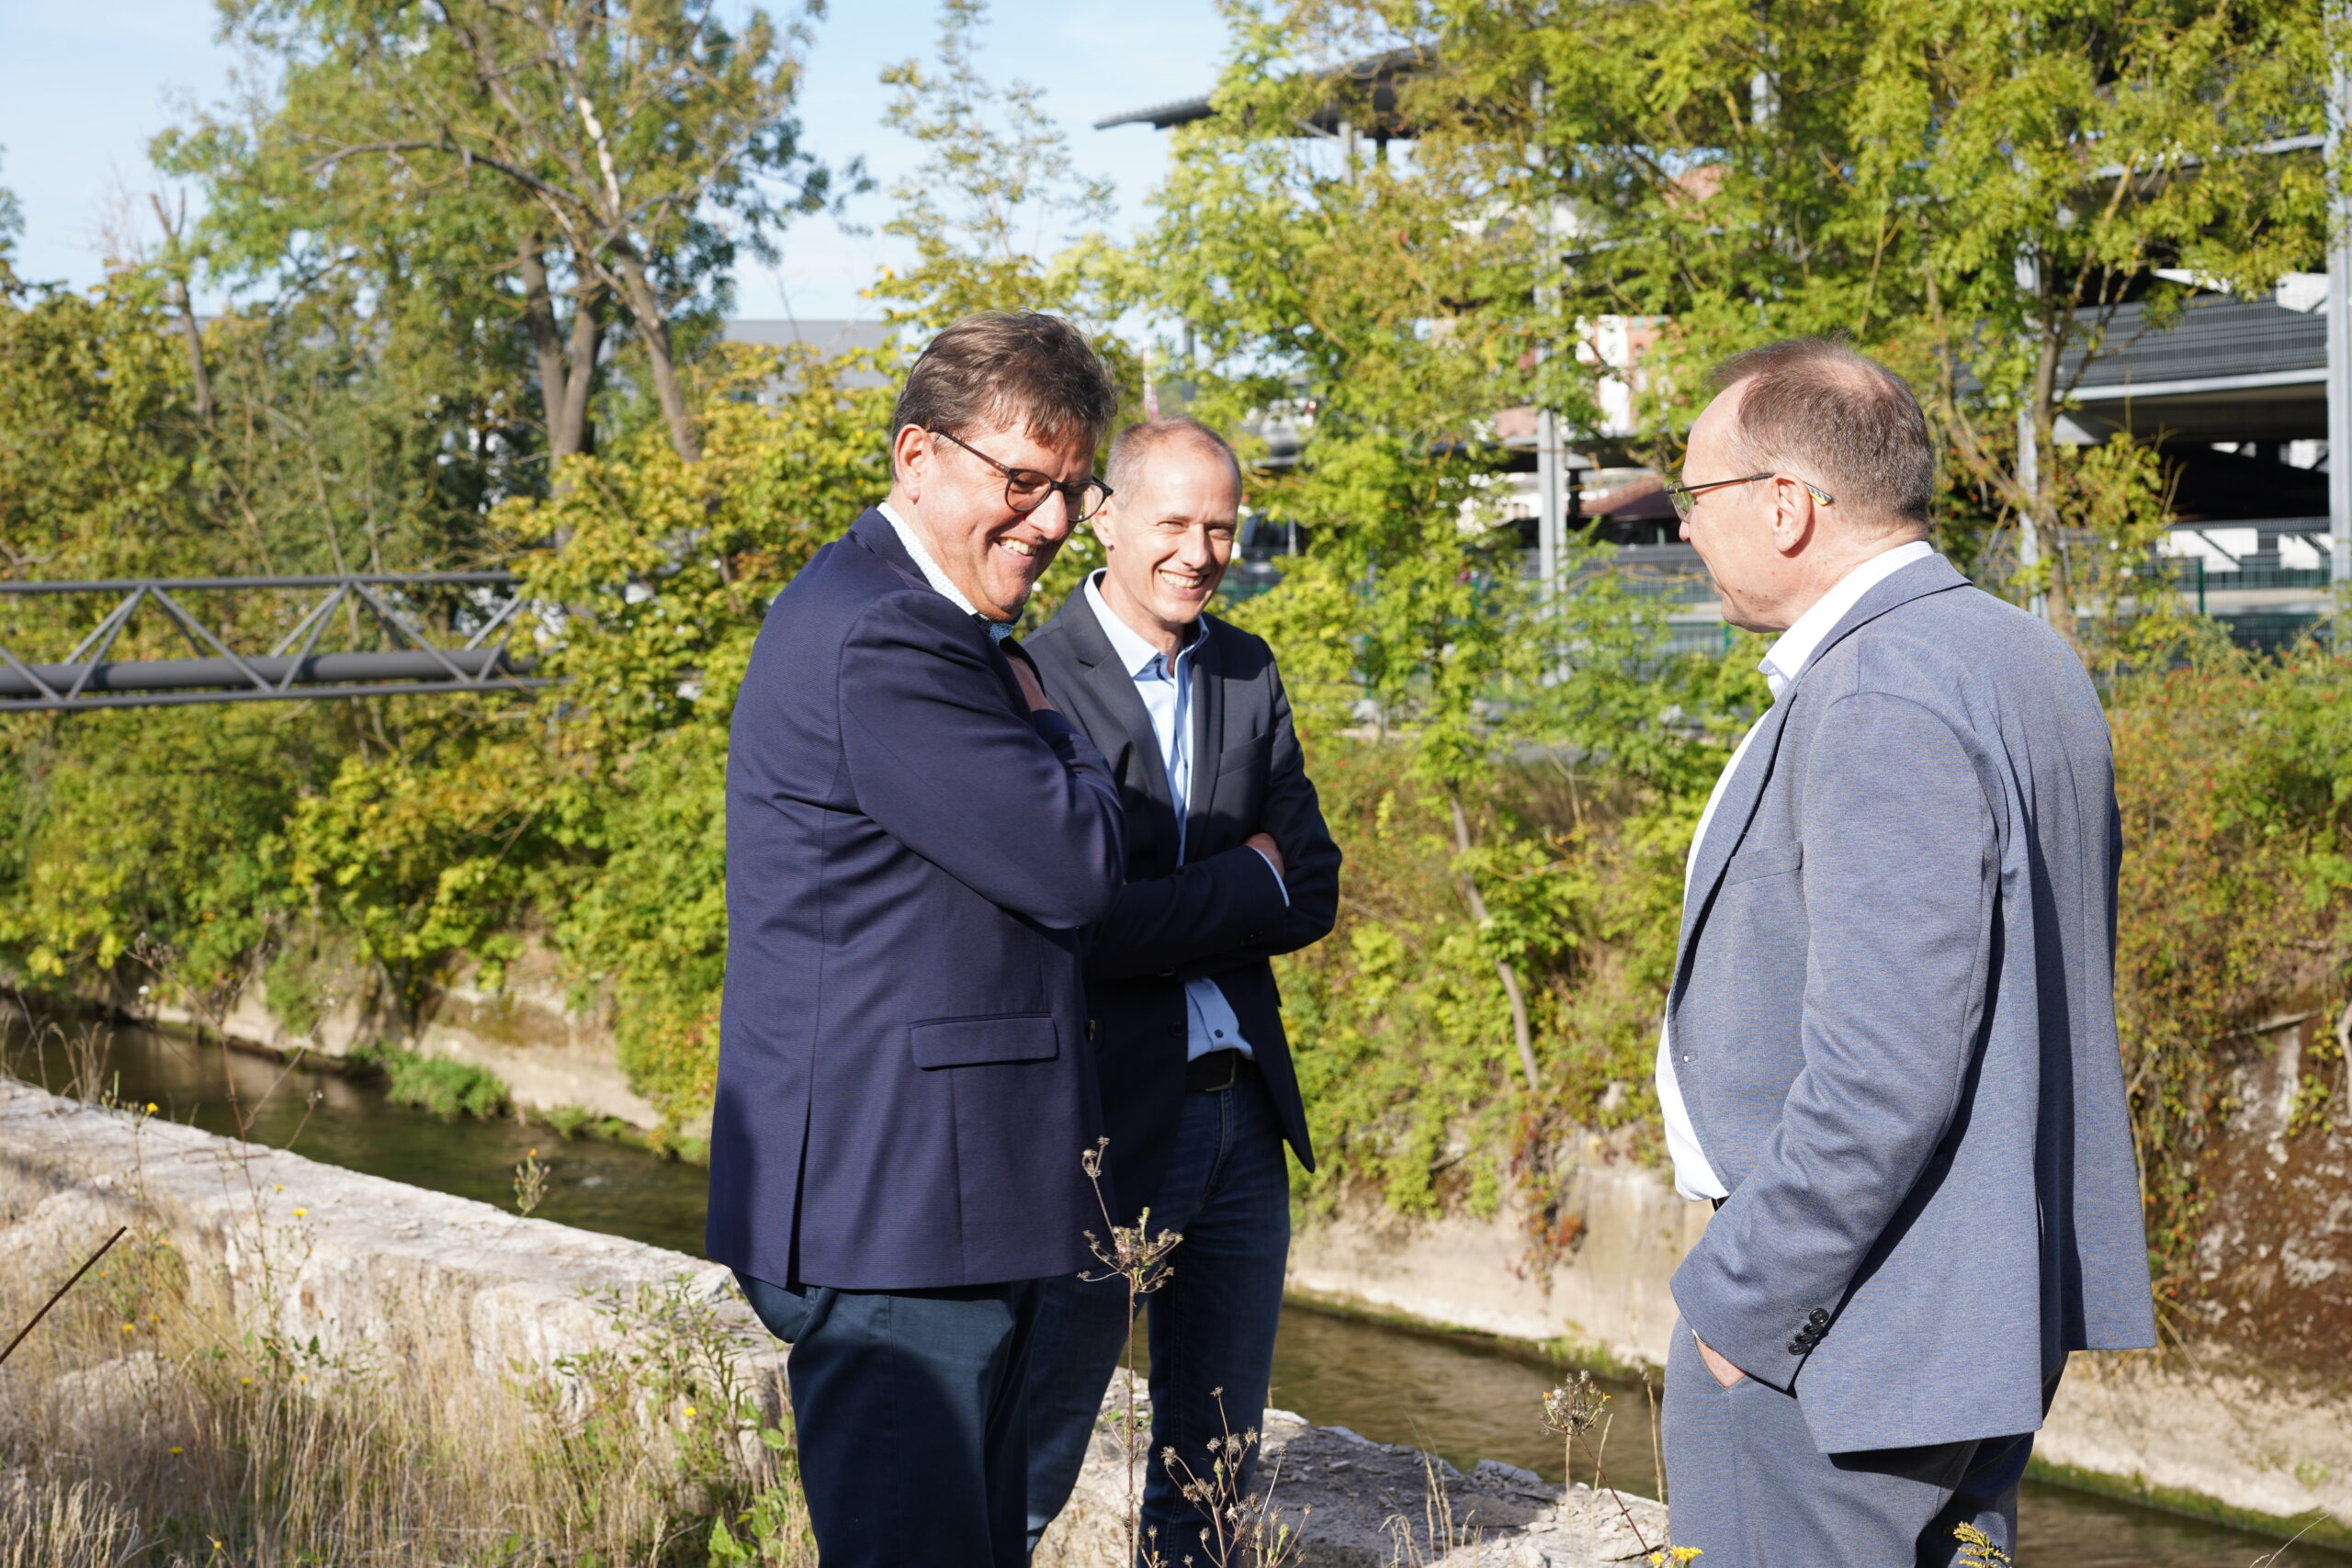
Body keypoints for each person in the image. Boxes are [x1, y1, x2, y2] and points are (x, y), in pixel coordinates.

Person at [1656, 338, 2156, 1566]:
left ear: (1784, 505)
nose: (1682, 529)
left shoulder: (1879, 687)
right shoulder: (2015, 651)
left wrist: (1743, 1303)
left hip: (1844, 1329)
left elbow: (1885, 1066)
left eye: (1694, 497)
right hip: (1972, 1302)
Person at [707, 311, 1128, 1568]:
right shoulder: (889, 635)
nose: (1048, 521)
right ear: (916, 455)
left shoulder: (913, 618)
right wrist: (1057, 728)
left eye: (1069, 487)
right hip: (898, 1216)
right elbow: (1079, 863)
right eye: (1021, 480)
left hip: (932, 1202)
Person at [1019, 417, 1341, 1560]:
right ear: (1102, 516)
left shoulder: (1247, 670)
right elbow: (1071, 918)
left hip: (1240, 1116)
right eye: (1174, 523)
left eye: (1221, 526)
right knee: (1028, 1461)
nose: (1200, 551)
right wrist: (1231, 883)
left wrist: (1179, 897)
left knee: (1213, 1474)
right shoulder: (1030, 678)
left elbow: (1309, 890)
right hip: (1097, 1122)